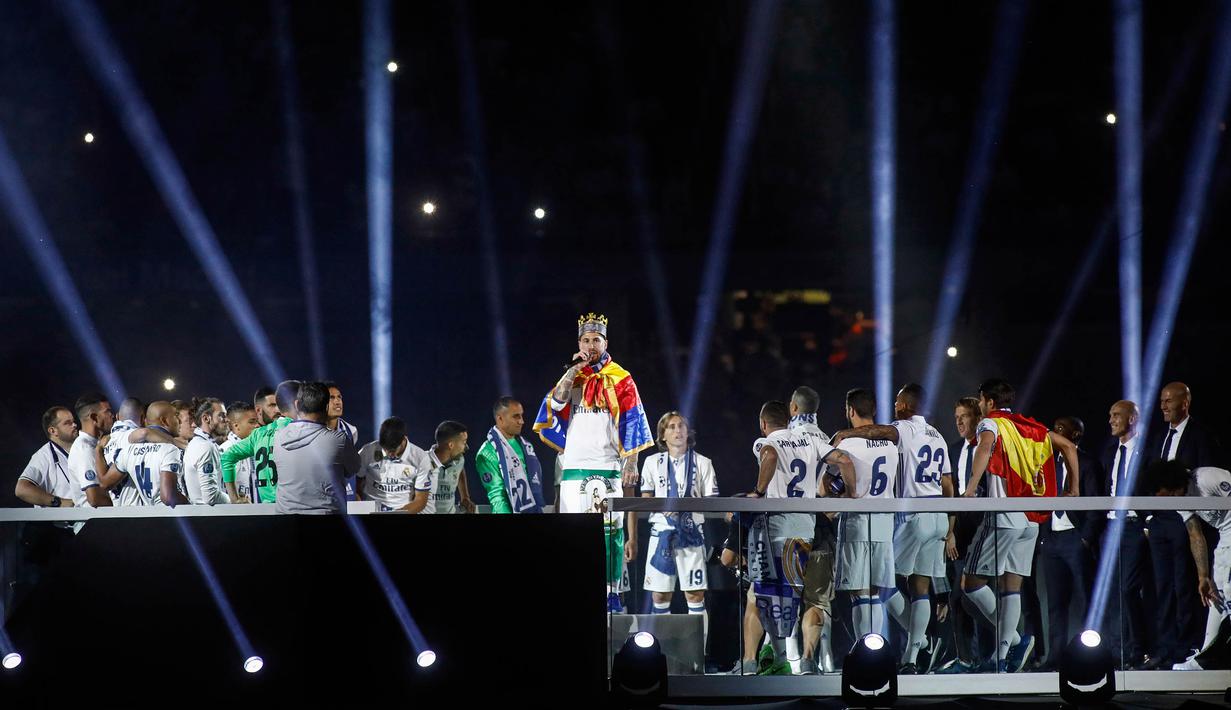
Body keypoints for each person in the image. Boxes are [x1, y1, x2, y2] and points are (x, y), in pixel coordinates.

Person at [533, 313, 654, 612]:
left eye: (596, 340)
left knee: (610, 532)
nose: (591, 346)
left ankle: (611, 591)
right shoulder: (573, 376)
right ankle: (576, 586)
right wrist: (575, 369)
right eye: (586, 340)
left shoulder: (621, 377)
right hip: (574, 466)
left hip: (607, 464)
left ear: (606, 342)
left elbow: (633, 421)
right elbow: (555, 402)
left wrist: (631, 463)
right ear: (579, 343)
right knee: (574, 530)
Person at [831, 383, 954, 674]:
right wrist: (950, 525)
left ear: (904, 406)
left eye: (898, 401)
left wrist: (847, 433)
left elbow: (877, 431)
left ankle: (912, 642)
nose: (894, 405)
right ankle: (914, 654)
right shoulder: (938, 436)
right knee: (920, 587)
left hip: (914, 514)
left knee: (880, 582)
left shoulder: (903, 429)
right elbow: (949, 484)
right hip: (937, 512)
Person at [962, 379, 1079, 673]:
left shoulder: (992, 424)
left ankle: (1013, 639)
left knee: (971, 583)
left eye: (980, 401)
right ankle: (1002, 658)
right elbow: (1068, 446)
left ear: (988, 401)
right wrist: (1073, 487)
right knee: (1010, 588)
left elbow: (985, 446)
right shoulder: (1033, 428)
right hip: (1032, 518)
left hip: (1004, 514)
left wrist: (971, 487)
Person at [749, 400, 854, 675]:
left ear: (763, 424)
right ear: (788, 418)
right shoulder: (809, 440)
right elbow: (843, 459)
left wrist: (759, 493)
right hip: (808, 530)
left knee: (768, 595)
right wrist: (850, 497)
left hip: (779, 530)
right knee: (813, 600)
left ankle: (774, 660)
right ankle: (808, 659)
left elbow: (770, 456)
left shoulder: (766, 442)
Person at [1148, 382, 1220, 667]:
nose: (1163, 406)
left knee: (1185, 585)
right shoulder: (1159, 437)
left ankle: (1187, 646)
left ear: (1185, 403)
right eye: (1162, 401)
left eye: (1168, 401)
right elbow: (1150, 476)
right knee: (1162, 586)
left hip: (1188, 520)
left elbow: (1207, 484)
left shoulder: (1201, 436)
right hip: (1160, 522)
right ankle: (1165, 649)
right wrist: (1149, 516)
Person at [828, 389, 900, 647]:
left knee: (860, 593)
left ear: (849, 411)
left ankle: (863, 651)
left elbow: (826, 484)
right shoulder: (892, 444)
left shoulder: (846, 443)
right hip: (884, 520)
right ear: (876, 411)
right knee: (876, 592)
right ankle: (876, 647)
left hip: (857, 520)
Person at [639, 412, 719, 642]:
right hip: (661, 535)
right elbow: (645, 498)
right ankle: (661, 652)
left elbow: (712, 501)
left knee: (695, 596)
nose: (678, 430)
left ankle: (697, 657)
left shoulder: (703, 462)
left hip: (691, 534)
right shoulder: (652, 462)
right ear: (663, 435)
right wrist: (664, 508)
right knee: (660, 596)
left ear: (688, 431)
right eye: (672, 427)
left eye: (681, 426)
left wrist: (686, 506)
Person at [1036, 415, 1106, 671]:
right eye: (1054, 428)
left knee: (1086, 599)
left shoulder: (1088, 463)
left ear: (1075, 435)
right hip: (1052, 539)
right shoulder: (1047, 463)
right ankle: (1055, 657)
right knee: (1055, 603)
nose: (1055, 432)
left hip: (1077, 539)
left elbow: (1096, 505)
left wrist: (1086, 539)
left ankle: (1090, 655)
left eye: (1061, 429)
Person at [1149, 460, 1231, 670]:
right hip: (1224, 537)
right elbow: (1195, 534)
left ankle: (1216, 658)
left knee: (1229, 593)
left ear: (1174, 484)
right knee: (1217, 596)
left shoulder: (1207, 477)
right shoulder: (1181, 498)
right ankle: (1204, 658)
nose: (1169, 501)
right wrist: (1203, 577)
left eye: (1168, 495)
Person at [1101, 399, 1152, 669]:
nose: (1111, 420)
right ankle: (1116, 649)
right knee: (1110, 592)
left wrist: (1148, 523)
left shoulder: (1147, 450)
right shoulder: (1110, 451)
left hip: (1134, 526)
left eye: (1116, 415)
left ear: (1132, 419)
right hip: (1110, 527)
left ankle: (1137, 649)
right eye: (1110, 415)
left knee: (1129, 589)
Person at [273, 381, 359, 514]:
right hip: (325, 524)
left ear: (296, 405)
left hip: (287, 523)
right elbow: (353, 469)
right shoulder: (339, 440)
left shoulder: (278, 437)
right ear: (326, 408)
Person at [221, 380, 299, 504]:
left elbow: (226, 458)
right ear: (298, 404)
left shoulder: (258, 434)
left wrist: (234, 498)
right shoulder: (297, 430)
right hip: (294, 507)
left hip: (267, 510)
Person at [106, 401, 188, 507]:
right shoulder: (170, 449)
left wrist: (98, 451)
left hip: (141, 513)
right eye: (176, 416)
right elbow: (168, 496)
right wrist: (190, 504)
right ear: (164, 420)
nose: (179, 421)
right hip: (173, 514)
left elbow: (105, 483)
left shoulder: (128, 450)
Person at [476, 397, 545, 514]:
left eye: (521, 416)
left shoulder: (526, 445)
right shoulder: (487, 452)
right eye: (516, 416)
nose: (521, 421)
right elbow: (497, 495)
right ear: (500, 419)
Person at [357, 417, 432, 512]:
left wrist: (397, 514)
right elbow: (354, 483)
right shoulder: (367, 451)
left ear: (404, 440)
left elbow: (421, 500)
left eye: (392, 450)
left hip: (404, 511)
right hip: (370, 510)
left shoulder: (421, 458)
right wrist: (359, 507)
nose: (389, 454)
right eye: (385, 449)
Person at [14, 406, 78, 508]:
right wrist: (59, 502)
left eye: (73, 421)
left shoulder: (81, 449)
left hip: (88, 516)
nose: (74, 425)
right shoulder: (43, 456)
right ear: (53, 431)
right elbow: (21, 489)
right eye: (67, 423)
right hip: (62, 522)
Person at [67, 393, 115, 509]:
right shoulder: (84, 449)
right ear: (94, 418)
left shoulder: (97, 444)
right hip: (93, 524)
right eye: (107, 412)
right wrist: (123, 506)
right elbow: (95, 498)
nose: (112, 415)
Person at [184, 398, 230, 505]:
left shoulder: (197, 443)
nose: (226, 420)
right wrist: (234, 499)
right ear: (206, 418)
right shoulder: (205, 447)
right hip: (209, 517)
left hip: (203, 515)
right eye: (221, 415)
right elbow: (211, 497)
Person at [222, 402, 260, 503]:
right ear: (236, 426)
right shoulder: (226, 450)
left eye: (257, 421)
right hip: (234, 514)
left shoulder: (252, 449)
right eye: (252, 422)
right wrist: (234, 501)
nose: (257, 426)